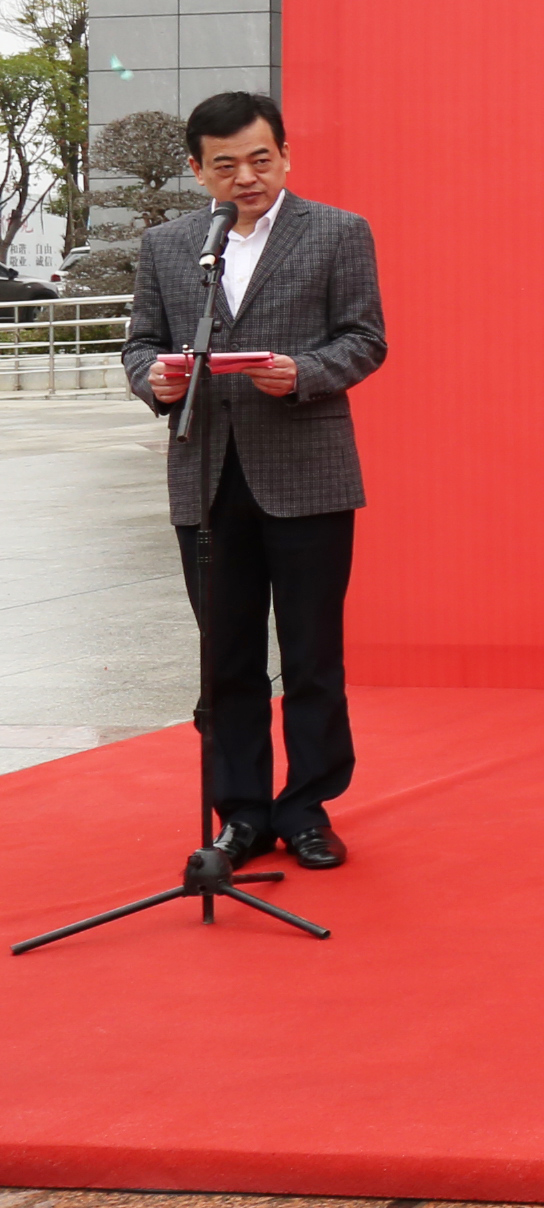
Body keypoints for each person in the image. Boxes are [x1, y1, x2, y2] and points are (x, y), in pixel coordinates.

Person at [118, 93, 387, 870]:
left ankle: (307, 809)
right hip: (206, 474)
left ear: (286, 155)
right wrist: (153, 380)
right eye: (226, 164)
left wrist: (305, 371)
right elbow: (140, 344)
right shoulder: (170, 245)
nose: (247, 176)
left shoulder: (337, 232)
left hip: (308, 473)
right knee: (225, 657)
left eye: (261, 159)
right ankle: (240, 814)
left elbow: (366, 339)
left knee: (311, 654)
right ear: (198, 169)